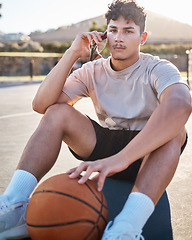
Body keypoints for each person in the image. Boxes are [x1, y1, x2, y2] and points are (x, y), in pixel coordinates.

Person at [0, 0, 191, 239]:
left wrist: (121, 159)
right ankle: (15, 203)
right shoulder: (93, 70)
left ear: (142, 38)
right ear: (105, 34)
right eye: (113, 30)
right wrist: (72, 53)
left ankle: (126, 228)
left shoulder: (158, 68)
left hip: (148, 154)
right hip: (105, 148)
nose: (118, 38)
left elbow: (181, 104)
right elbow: (41, 105)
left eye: (128, 31)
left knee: (176, 130)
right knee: (57, 111)